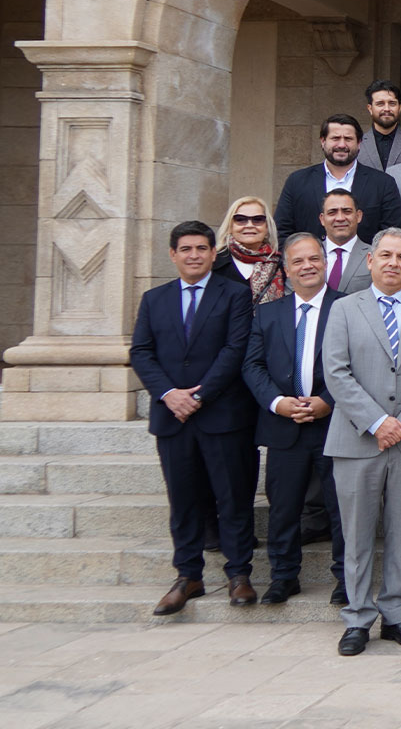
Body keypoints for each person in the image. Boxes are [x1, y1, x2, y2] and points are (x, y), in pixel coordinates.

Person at [322, 228, 401, 655]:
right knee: (356, 535)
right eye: (386, 255)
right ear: (371, 260)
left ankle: (397, 614)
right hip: (358, 440)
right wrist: (377, 422)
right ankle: (357, 617)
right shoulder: (342, 309)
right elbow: (336, 373)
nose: (393, 263)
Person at [130, 221, 259, 616]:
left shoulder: (235, 295)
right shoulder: (154, 299)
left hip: (222, 414)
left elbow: (235, 349)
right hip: (173, 418)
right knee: (183, 500)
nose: (194, 255)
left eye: (202, 248)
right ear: (173, 254)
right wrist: (170, 395)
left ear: (211, 253)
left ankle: (239, 575)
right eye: (186, 249)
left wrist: (198, 394)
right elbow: (141, 352)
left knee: (232, 497)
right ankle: (188, 575)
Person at [243, 233, 344, 606]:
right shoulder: (267, 313)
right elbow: (252, 365)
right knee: (283, 508)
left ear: (325, 262)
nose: (307, 266)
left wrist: (328, 402)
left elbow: (360, 365)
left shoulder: (347, 308)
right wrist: (277, 403)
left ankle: (345, 579)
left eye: (314, 259)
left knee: (339, 507)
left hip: (333, 424)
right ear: (286, 269)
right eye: (299, 261)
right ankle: (284, 577)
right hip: (284, 426)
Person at [274, 114, 401, 245]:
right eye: (335, 138)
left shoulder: (383, 183)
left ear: (359, 143)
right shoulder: (297, 181)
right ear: (323, 141)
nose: (342, 145)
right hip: (309, 264)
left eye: (348, 139)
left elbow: (392, 235)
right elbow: (282, 232)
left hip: (364, 264)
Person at [214, 196, 287, 304]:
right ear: (230, 226)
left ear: (267, 227)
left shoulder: (280, 264)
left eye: (258, 219)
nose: (249, 225)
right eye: (240, 219)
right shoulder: (214, 263)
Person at [318, 190, 371, 295]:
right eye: (332, 212)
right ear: (322, 219)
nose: (340, 218)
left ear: (358, 216)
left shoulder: (375, 255)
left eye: (347, 211)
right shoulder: (307, 256)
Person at [359, 80, 401, 171]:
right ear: (370, 108)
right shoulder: (357, 144)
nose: (386, 109)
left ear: (400, 108)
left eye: (392, 103)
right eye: (380, 104)